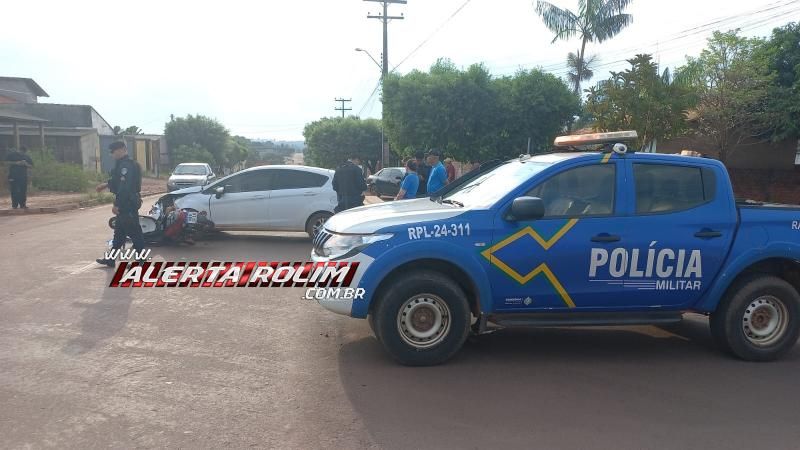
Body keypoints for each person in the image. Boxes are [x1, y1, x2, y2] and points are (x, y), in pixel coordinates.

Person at [95, 141, 145, 268]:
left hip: (127, 202)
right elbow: (117, 180)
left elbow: (124, 187)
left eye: (114, 151)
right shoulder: (122, 164)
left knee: (134, 232)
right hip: (127, 201)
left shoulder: (127, 166)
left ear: (122, 149)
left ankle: (141, 261)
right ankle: (111, 259)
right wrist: (106, 185)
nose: (112, 154)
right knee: (119, 233)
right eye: (111, 152)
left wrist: (117, 205)